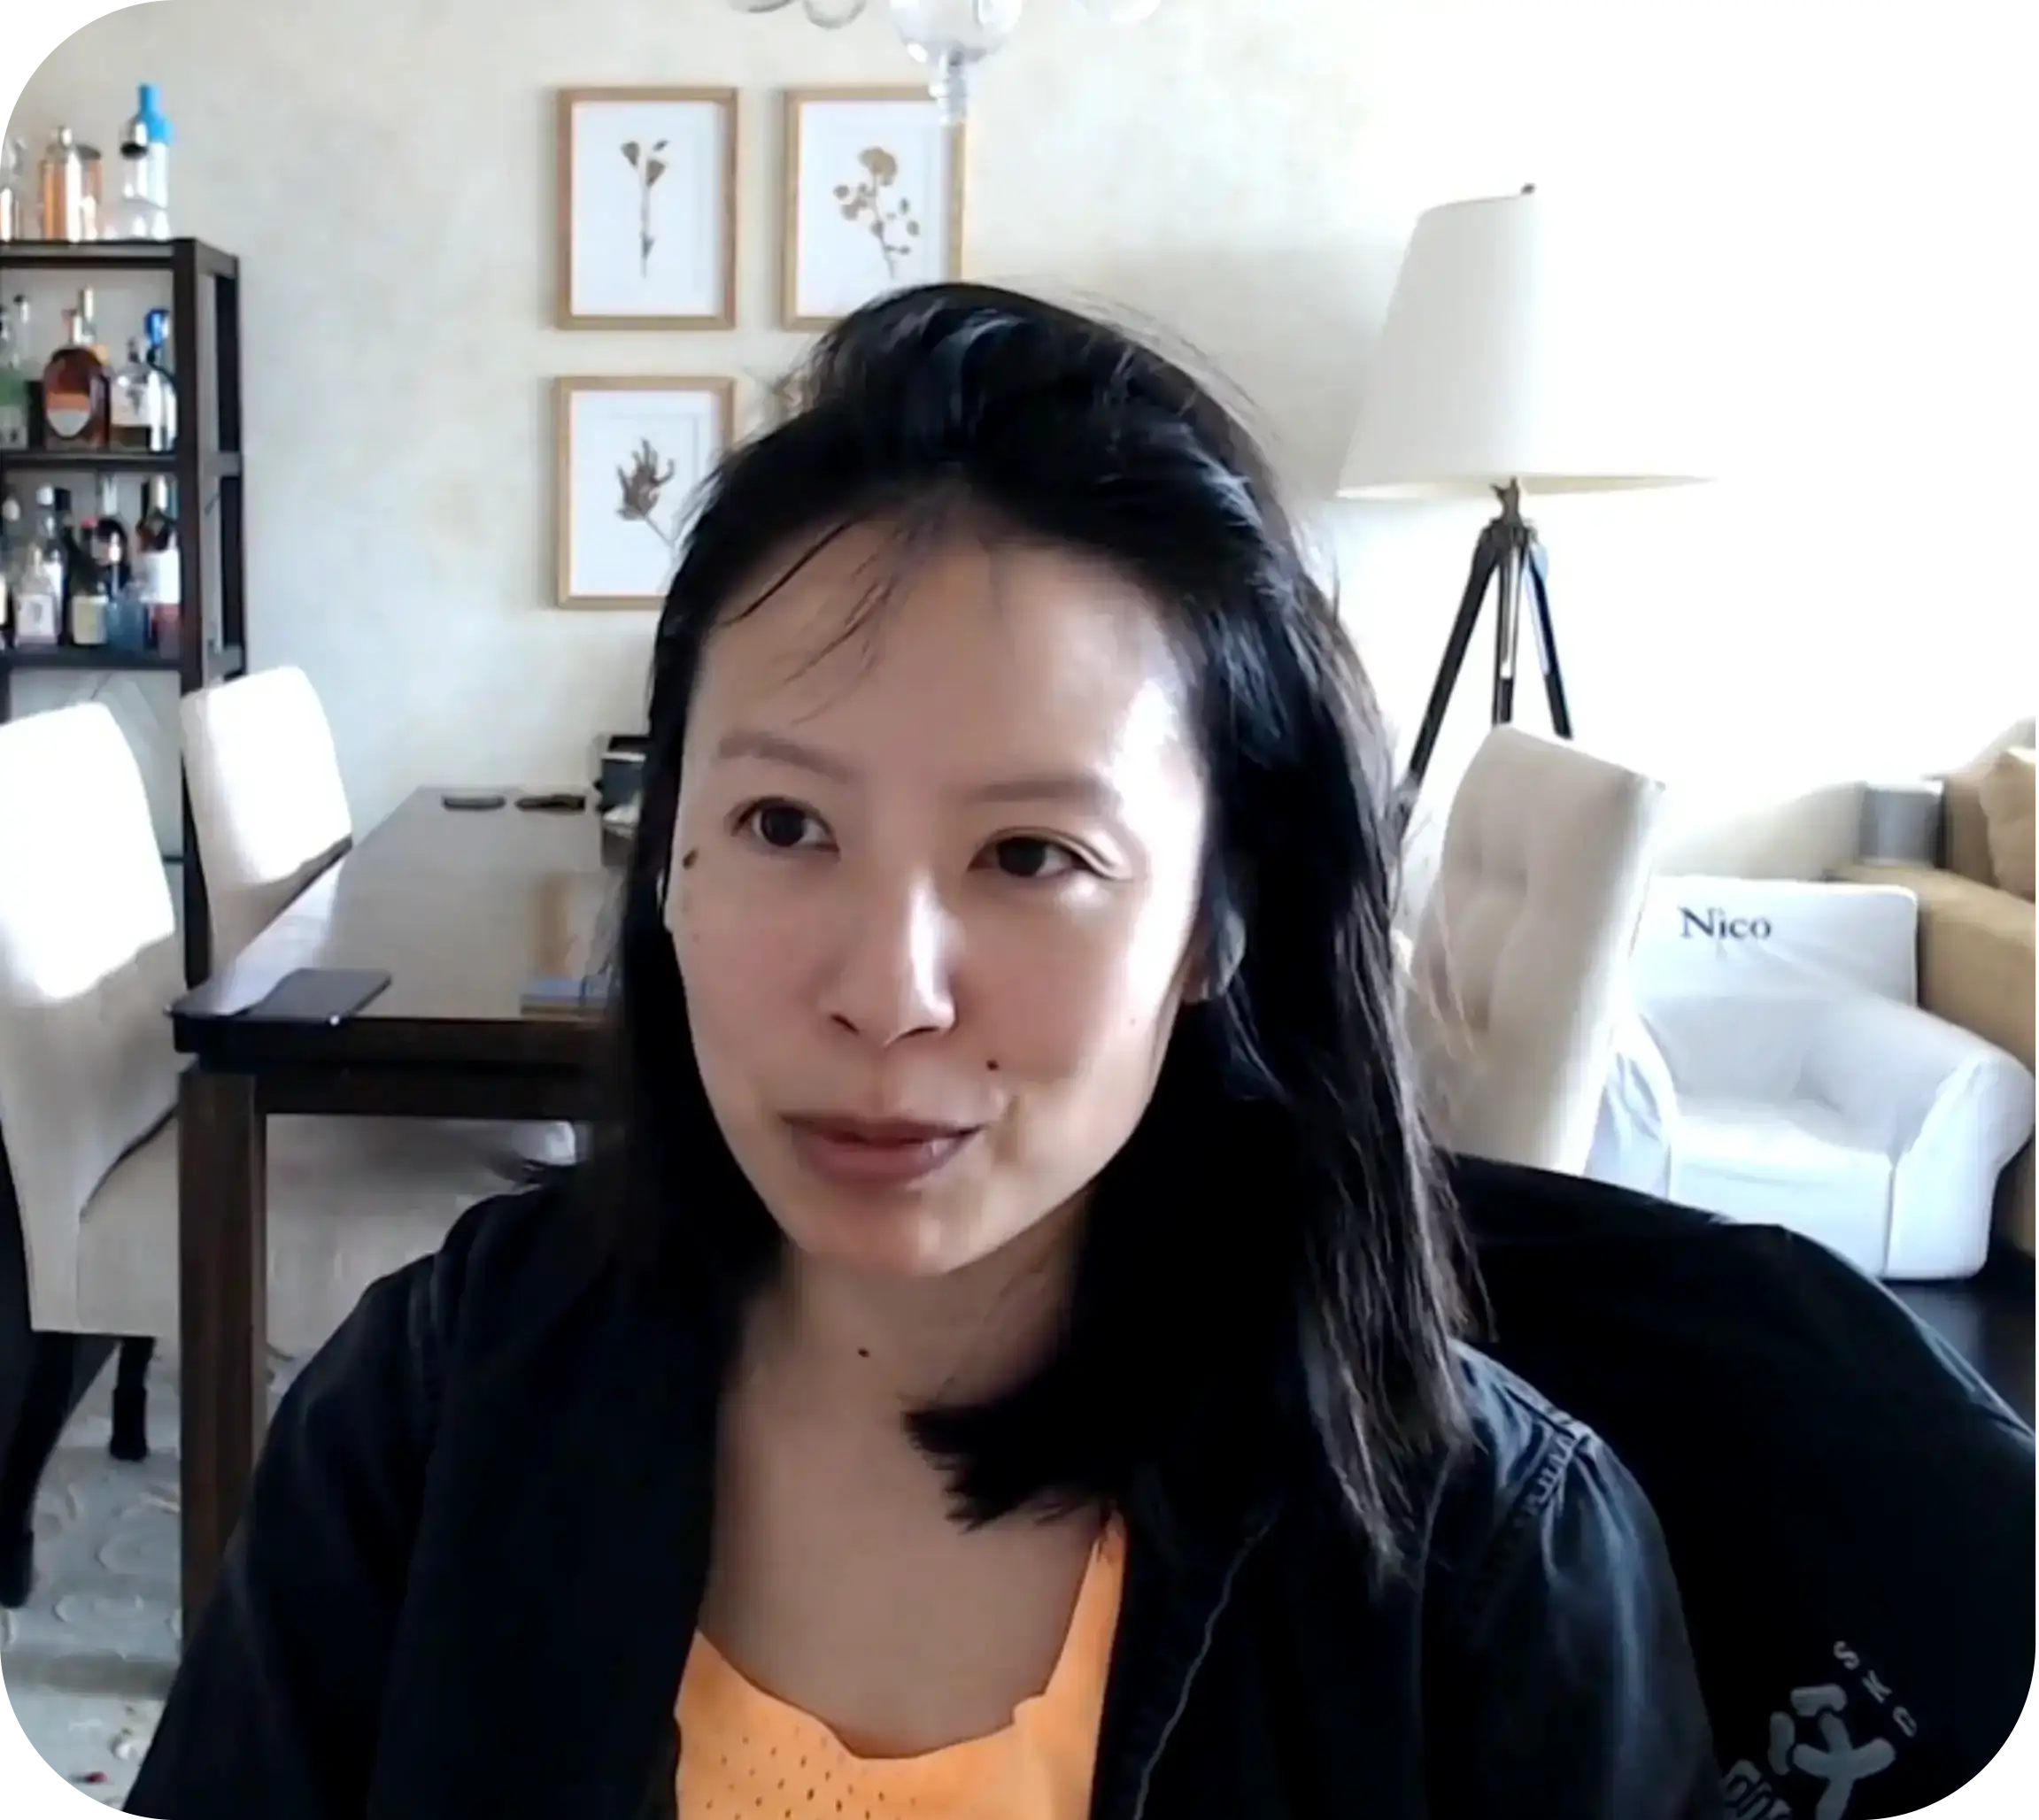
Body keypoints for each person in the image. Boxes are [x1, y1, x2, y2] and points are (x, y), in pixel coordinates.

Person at [127, 284, 1718, 1818]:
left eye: (1030, 856)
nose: (887, 994)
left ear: (1219, 928)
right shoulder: (433, 1414)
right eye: (783, 824)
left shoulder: (1487, 1571)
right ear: (665, 857)